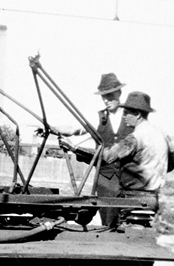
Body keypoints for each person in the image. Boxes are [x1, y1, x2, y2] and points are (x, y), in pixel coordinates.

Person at [64, 91, 174, 211]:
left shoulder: (135, 138)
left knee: (122, 223)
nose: (124, 117)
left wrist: (74, 148)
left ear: (138, 114)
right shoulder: (162, 134)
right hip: (152, 199)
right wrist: (156, 171)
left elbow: (107, 156)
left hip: (132, 199)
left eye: (127, 113)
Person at [49, 73, 132, 228]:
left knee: (130, 222)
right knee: (108, 223)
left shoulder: (131, 117)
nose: (106, 100)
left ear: (119, 93)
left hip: (129, 177)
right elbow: (74, 128)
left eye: (110, 95)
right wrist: (52, 128)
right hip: (106, 179)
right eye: (104, 97)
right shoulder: (99, 118)